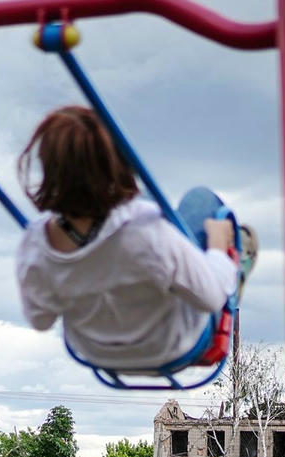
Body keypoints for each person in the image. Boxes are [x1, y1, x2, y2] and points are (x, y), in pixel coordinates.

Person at [14, 106, 254, 372]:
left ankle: (173, 272)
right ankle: (233, 272)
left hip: (97, 353)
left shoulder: (34, 243)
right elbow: (211, 299)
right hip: (172, 346)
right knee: (200, 199)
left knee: (147, 203)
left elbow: (41, 319)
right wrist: (218, 246)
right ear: (113, 163)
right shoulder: (145, 228)